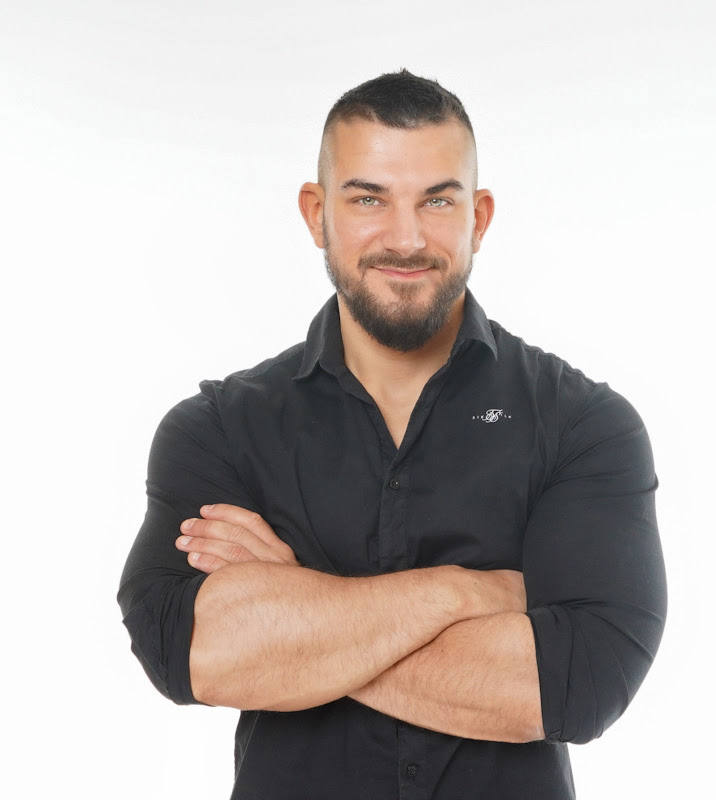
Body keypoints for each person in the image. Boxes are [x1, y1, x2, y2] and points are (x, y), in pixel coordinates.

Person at [118, 69, 667, 800]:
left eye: (437, 200)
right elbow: (188, 653)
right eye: (368, 199)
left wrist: (293, 607)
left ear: (479, 217)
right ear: (317, 214)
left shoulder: (584, 424)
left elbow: (579, 684)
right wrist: (465, 594)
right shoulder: (216, 428)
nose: (406, 239)